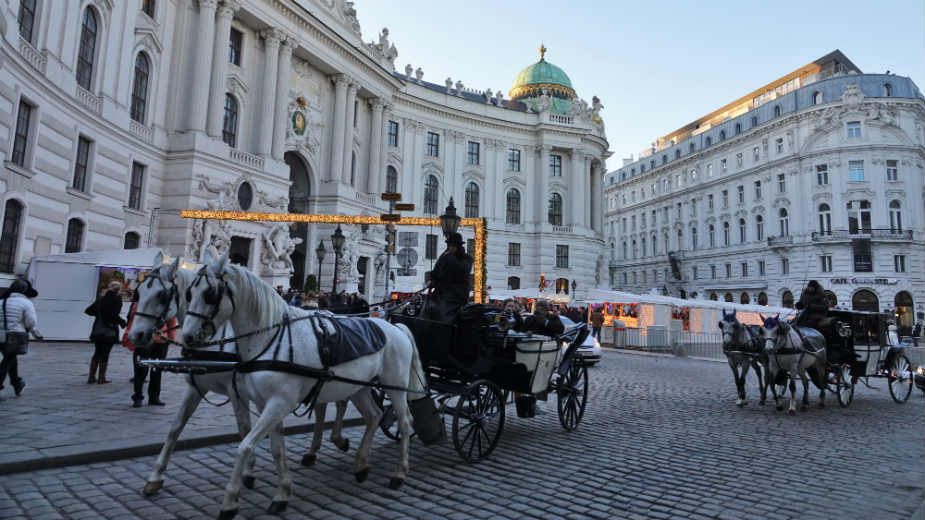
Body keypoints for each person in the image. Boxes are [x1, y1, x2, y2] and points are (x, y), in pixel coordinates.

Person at [0, 280, 42, 401]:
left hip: (1, 335)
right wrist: (35, 333)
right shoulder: (26, 303)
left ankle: (17, 383)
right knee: (8, 360)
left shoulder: (2, 301)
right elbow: (31, 322)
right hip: (15, 335)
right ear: (24, 290)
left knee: (10, 358)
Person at [84, 281, 126, 384]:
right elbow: (113, 315)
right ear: (118, 290)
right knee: (105, 354)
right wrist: (122, 322)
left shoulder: (101, 299)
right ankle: (101, 378)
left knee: (97, 352)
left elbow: (88, 311)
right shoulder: (117, 300)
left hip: (98, 329)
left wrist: (99, 315)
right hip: (110, 331)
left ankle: (91, 377)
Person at [428, 232, 473, 322]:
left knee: (441, 313)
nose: (450, 247)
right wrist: (432, 281)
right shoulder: (446, 256)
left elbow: (458, 270)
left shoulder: (465, 259)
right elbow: (437, 271)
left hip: (454, 296)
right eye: (449, 245)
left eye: (452, 246)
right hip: (444, 293)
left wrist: (448, 257)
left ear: (457, 246)